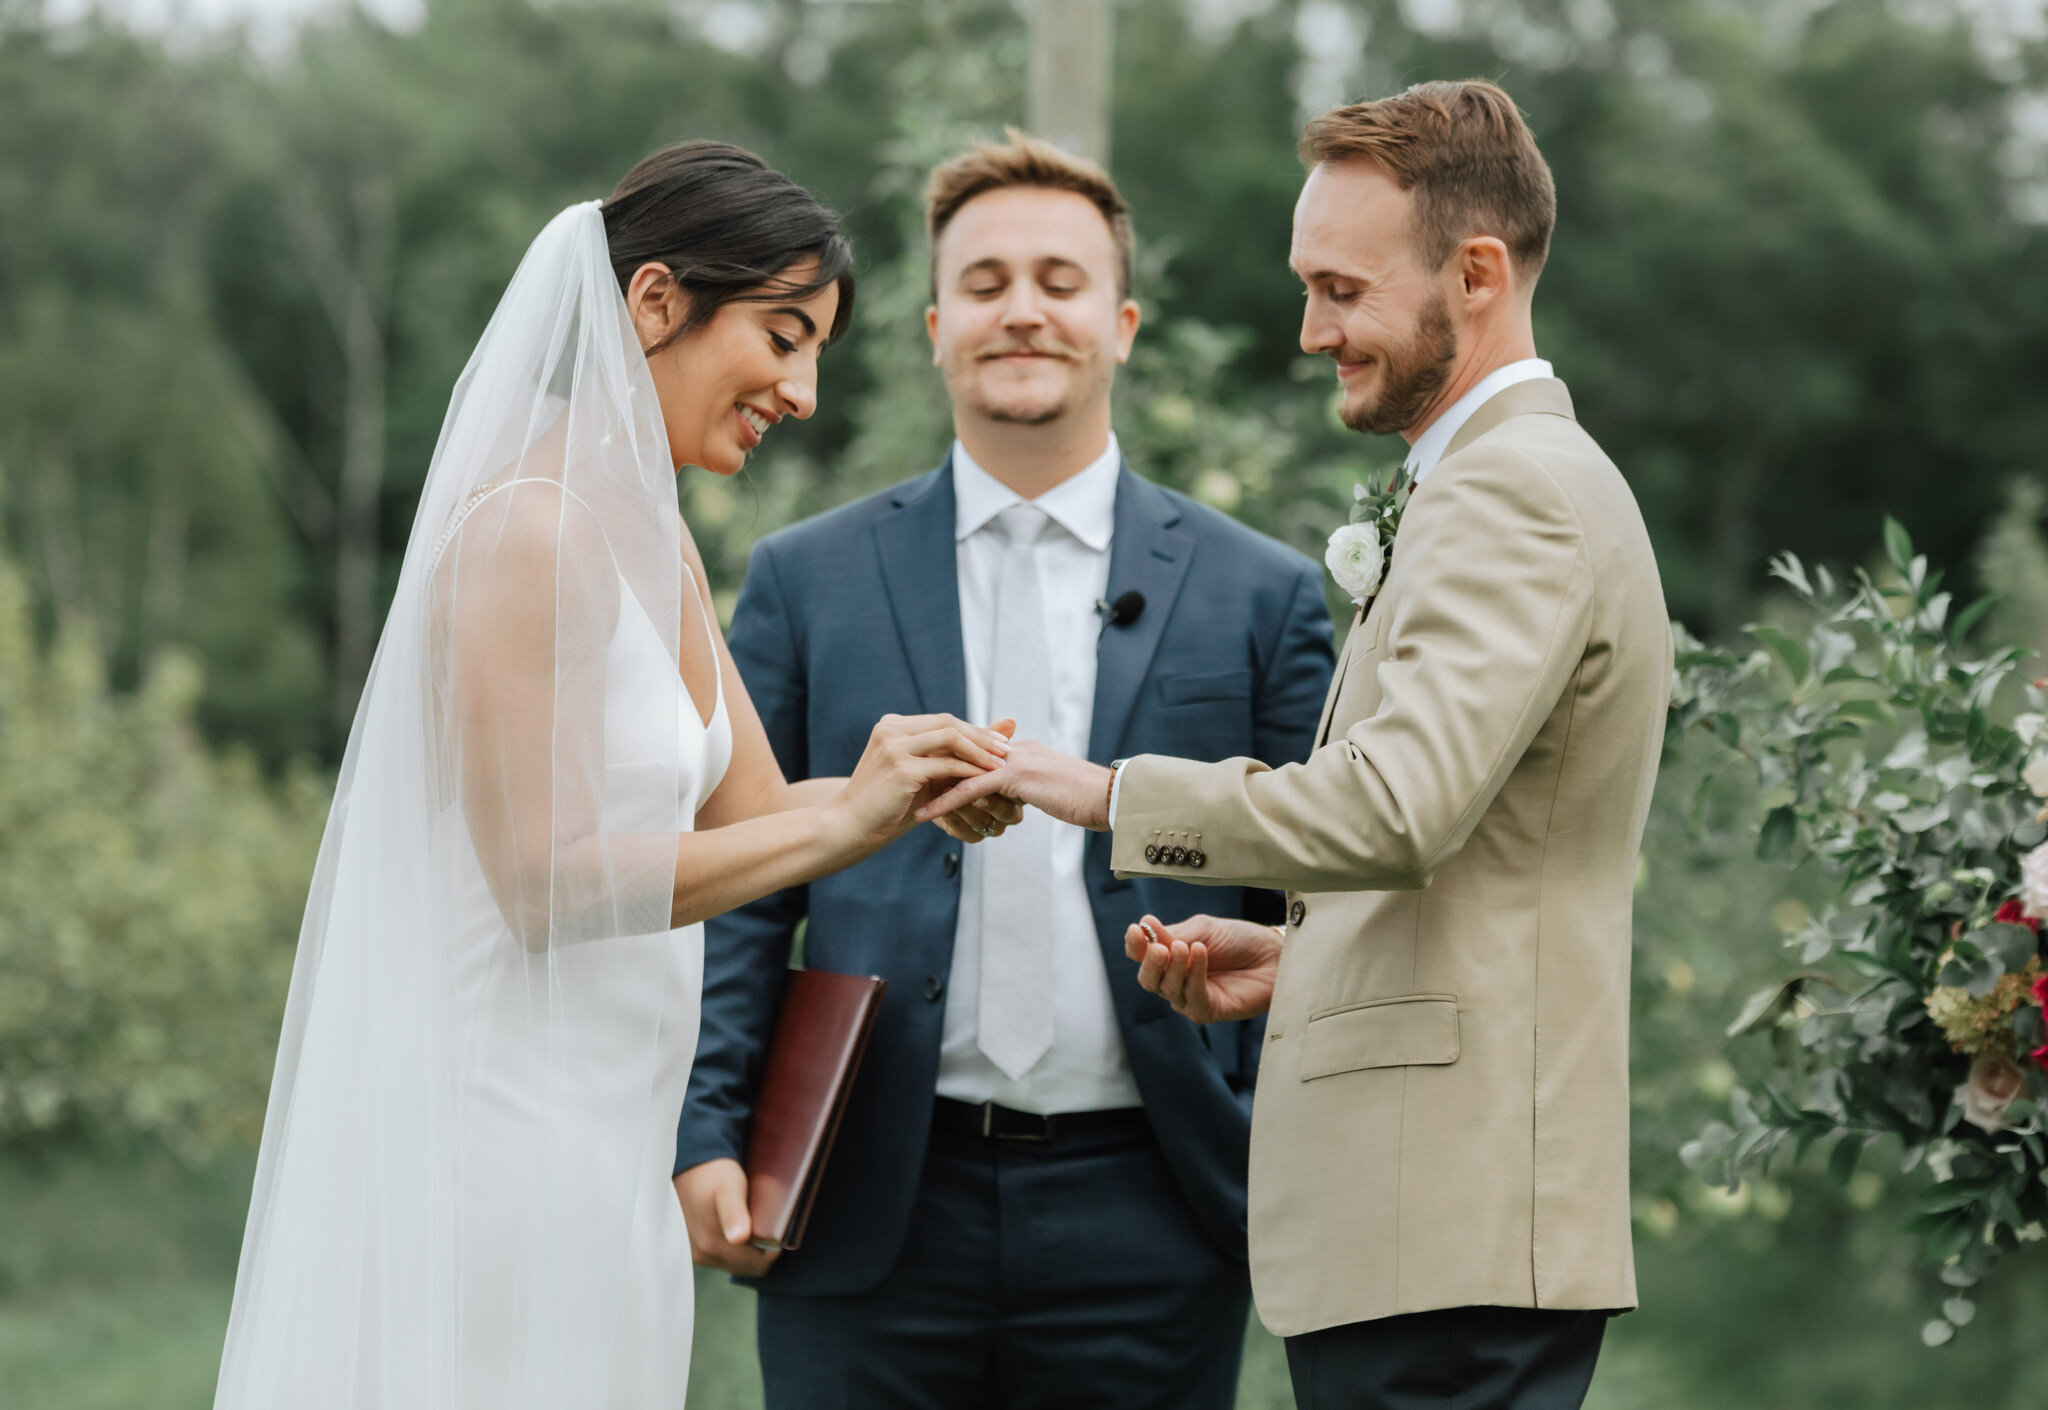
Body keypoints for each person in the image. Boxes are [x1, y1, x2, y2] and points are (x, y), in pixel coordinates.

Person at [212, 142, 1016, 1410]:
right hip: (497, 1140)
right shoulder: (527, 532)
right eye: (783, 336)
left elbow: (756, 815)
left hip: (612, 1141)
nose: (802, 391)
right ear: (654, 304)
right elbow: (543, 885)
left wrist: (907, 781)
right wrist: (851, 820)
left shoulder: (659, 539)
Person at [919, 82, 1672, 1410]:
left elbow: (1393, 806)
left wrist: (1099, 788)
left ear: (1477, 272)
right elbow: (1477, 846)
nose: (1312, 329)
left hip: (1450, 1216)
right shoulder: (1498, 482)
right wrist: (1310, 956)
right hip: (1436, 1228)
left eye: (1339, 289)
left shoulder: (1512, 492)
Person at [672, 132, 1335, 1409]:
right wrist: (708, 1129)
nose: (1021, 309)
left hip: (1157, 1204)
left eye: (1058, 279)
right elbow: (744, 880)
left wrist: (1263, 1130)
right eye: (983, 284)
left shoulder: (1263, 595)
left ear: (1123, 322)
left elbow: (1314, 882)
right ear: (933, 327)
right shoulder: (809, 579)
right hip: (863, 1199)